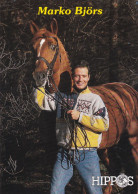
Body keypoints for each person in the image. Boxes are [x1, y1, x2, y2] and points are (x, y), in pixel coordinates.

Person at [33, 60, 109, 194]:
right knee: (55, 190)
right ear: (73, 78)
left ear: (88, 77)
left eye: (84, 76)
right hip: (64, 153)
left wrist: (80, 116)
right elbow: (41, 102)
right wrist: (39, 85)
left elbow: (104, 124)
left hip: (87, 153)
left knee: (94, 191)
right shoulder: (61, 97)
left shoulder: (95, 100)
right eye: (77, 76)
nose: (80, 79)